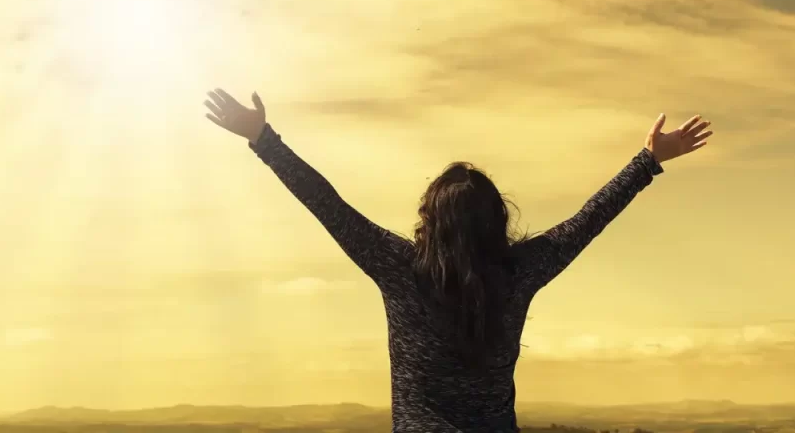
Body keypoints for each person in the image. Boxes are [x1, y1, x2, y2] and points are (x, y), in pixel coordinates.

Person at [202, 88, 712, 433]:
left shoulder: (399, 267)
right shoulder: (519, 271)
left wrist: (263, 140)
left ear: (429, 217)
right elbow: (588, 219)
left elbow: (328, 205)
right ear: (496, 219)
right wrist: (647, 161)